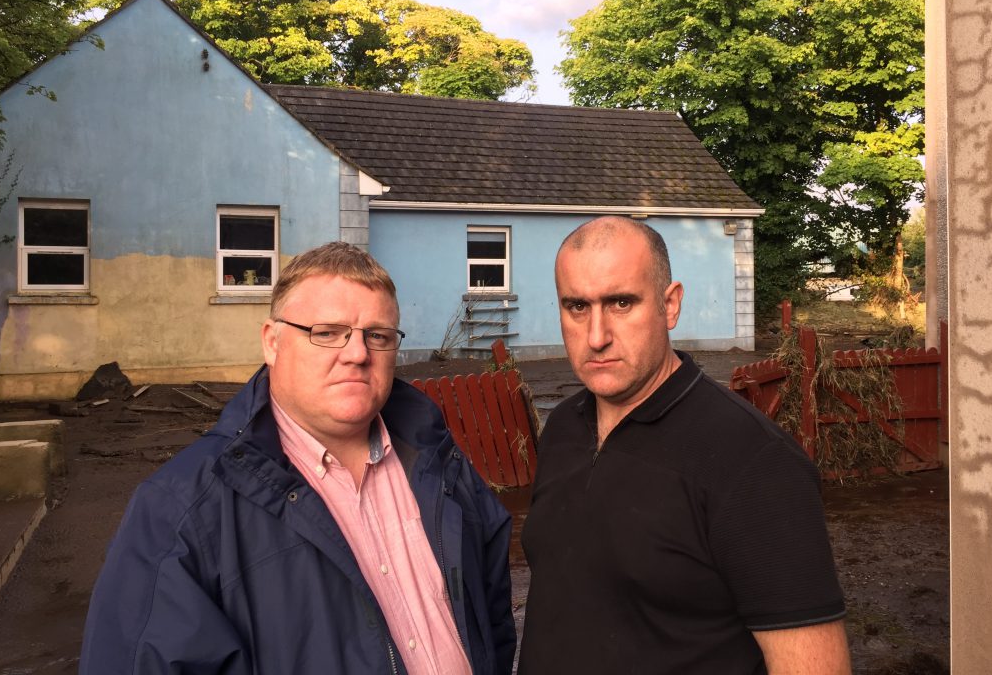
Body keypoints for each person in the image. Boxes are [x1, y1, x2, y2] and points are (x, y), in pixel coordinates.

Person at [81, 241, 516, 675]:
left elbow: (491, 616)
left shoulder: (439, 463)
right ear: (272, 342)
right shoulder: (180, 510)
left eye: (378, 336)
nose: (358, 354)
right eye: (327, 333)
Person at [519, 216, 850, 675]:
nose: (596, 336)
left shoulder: (755, 463)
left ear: (670, 305)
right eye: (577, 306)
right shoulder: (562, 430)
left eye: (621, 302)